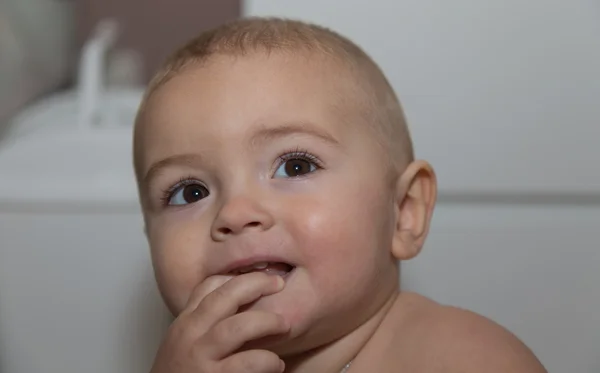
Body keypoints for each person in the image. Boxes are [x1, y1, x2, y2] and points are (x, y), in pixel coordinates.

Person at [132, 17, 547, 373]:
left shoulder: (461, 358)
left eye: (296, 166)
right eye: (190, 192)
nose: (236, 212)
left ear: (403, 212)